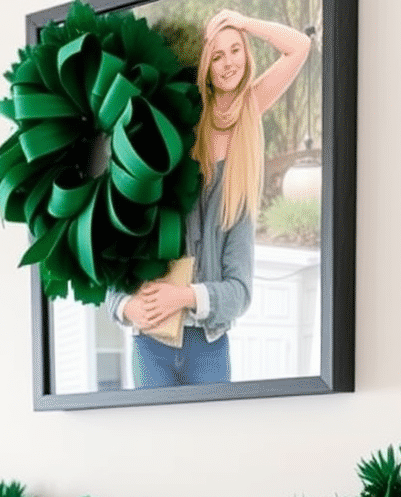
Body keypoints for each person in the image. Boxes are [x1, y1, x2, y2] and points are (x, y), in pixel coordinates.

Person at [109, 9, 311, 388]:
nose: (228, 63)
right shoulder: (186, 116)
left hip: (209, 344)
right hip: (151, 340)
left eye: (235, 51)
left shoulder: (248, 111)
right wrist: (124, 305)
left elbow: (299, 47)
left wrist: (243, 21)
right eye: (217, 56)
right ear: (205, 65)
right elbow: (126, 234)